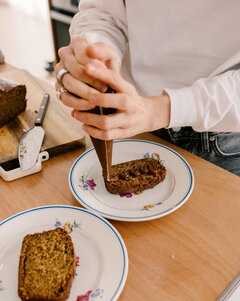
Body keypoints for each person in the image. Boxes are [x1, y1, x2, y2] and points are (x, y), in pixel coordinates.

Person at [55, 0, 240, 176]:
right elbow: (103, 12)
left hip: (225, 136)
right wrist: (93, 54)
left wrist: (158, 112)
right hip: (129, 122)